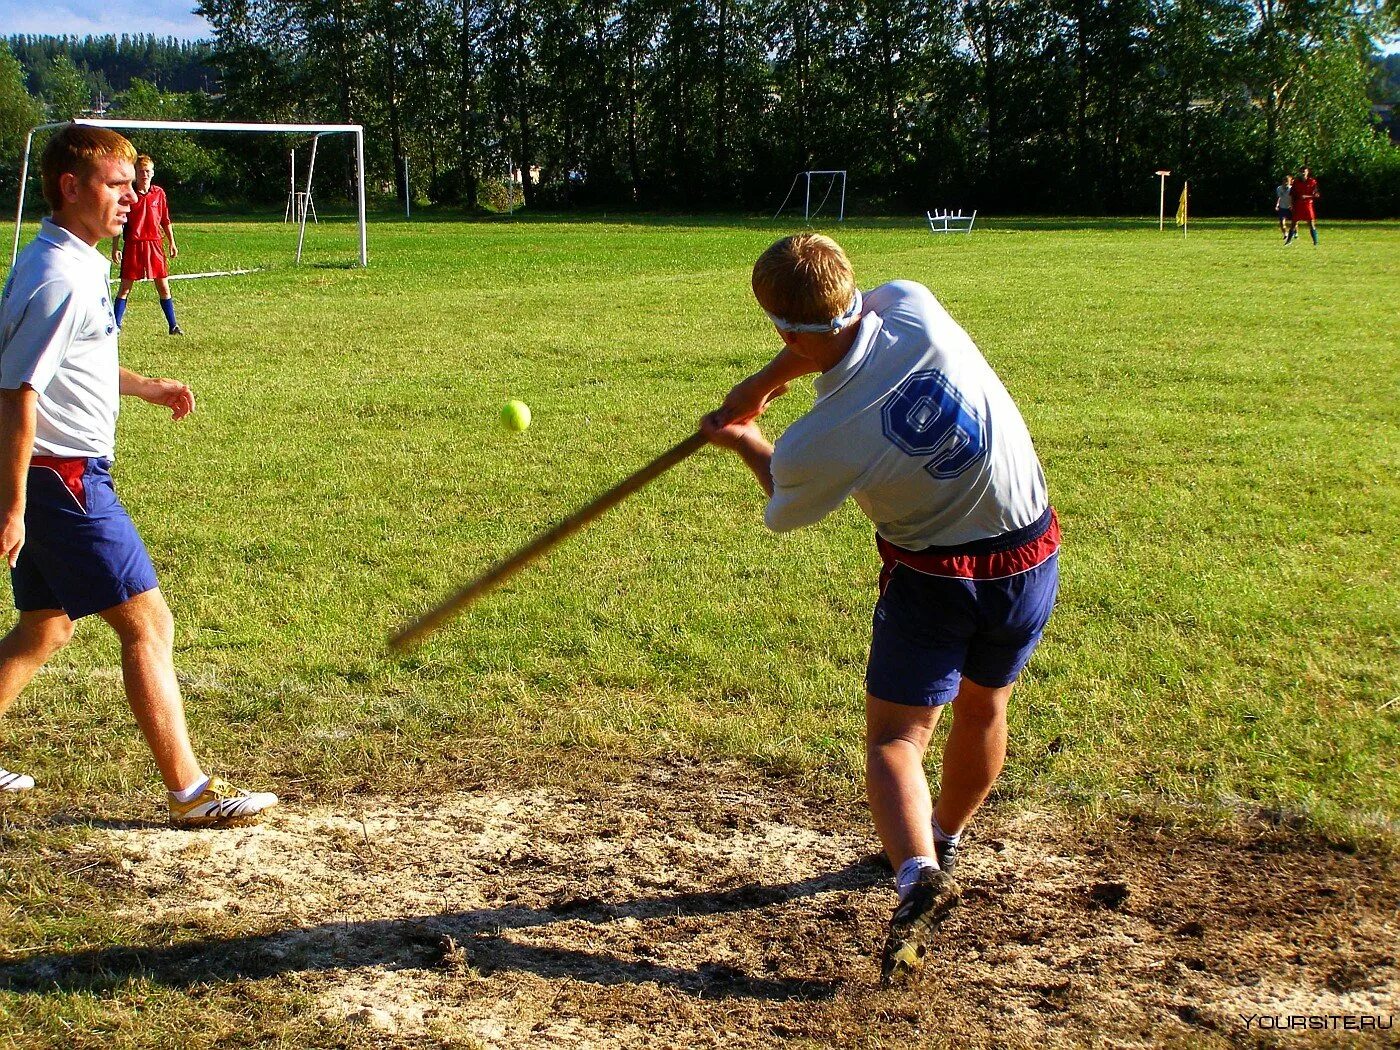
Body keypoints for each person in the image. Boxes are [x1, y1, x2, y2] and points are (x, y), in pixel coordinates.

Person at [701, 233, 1058, 986]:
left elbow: (787, 505)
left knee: (897, 738)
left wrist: (744, 437)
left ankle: (918, 875)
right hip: (1030, 550)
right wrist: (765, 379)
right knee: (985, 705)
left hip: (934, 575)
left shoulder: (820, 440)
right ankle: (945, 836)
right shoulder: (916, 306)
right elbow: (834, 331)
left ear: (778, 325)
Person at [0, 123, 276, 825]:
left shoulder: (75, 259)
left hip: (56, 474)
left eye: (132, 184)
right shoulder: (58, 278)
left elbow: (77, 363)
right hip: (62, 478)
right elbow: (17, 390)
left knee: (44, 628)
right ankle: (191, 793)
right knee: (148, 622)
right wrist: (13, 506)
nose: (131, 197)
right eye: (116, 185)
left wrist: (147, 385)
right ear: (70, 187)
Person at [112, 153, 183, 334]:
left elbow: (165, 220)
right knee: (125, 288)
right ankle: (115, 325)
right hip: (134, 244)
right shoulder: (129, 194)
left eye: (148, 171)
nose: (145, 174)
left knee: (163, 286)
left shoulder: (158, 194)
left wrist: (172, 243)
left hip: (154, 244)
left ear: (153, 173)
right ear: (136, 173)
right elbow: (119, 221)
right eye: (141, 171)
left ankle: (173, 325)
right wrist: (115, 247)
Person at [1288, 166, 1321, 246]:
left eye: (1304, 171)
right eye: (1301, 171)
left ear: (1308, 172)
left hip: (1307, 205)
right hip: (1298, 205)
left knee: (1311, 223)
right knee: (1293, 223)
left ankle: (1315, 242)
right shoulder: (1296, 182)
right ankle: (1288, 241)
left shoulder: (1312, 182)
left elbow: (1316, 194)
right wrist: (1291, 204)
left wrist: (1307, 196)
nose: (1303, 173)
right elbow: (1292, 194)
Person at [1275, 174, 1294, 243]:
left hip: (1290, 208)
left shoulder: (1292, 189)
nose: (1285, 182)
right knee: (1282, 223)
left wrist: (1292, 206)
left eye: (1287, 181)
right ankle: (1285, 234)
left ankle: (1295, 233)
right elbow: (1279, 197)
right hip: (1282, 207)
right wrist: (1277, 205)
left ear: (1290, 182)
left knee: (1294, 223)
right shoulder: (1279, 188)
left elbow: (1293, 198)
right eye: (1284, 181)